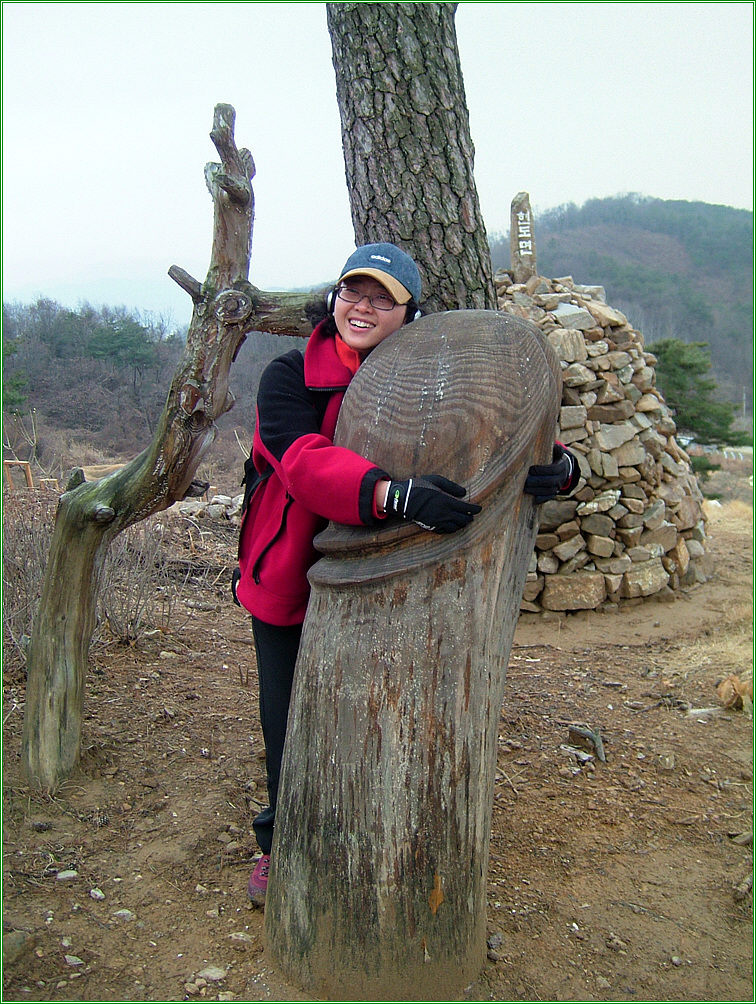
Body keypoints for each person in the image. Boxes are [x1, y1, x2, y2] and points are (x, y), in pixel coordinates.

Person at [232, 242, 579, 905]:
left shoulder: (430, 368)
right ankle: (281, 842)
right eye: (351, 292)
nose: (361, 307)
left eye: (380, 298)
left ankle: (380, 827)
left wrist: (559, 465)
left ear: (408, 311)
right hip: (291, 567)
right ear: (333, 298)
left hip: (391, 580)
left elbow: (477, 422)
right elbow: (300, 459)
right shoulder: (289, 375)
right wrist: (394, 495)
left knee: (371, 705)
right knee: (290, 715)